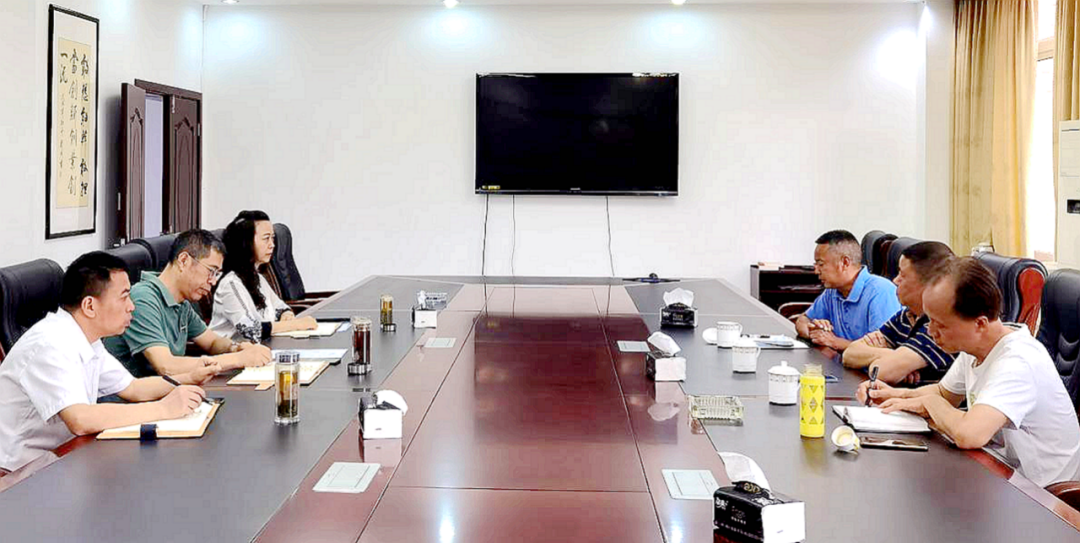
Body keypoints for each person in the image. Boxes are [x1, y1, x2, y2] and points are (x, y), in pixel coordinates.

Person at [858, 257, 1080, 487]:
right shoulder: (976, 346)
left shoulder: (1018, 360)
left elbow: (969, 434)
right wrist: (893, 394)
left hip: (1041, 493)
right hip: (998, 470)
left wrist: (929, 403)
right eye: (929, 321)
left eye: (941, 324)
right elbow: (944, 394)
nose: (931, 331)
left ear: (980, 324)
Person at [0, 252, 217, 473]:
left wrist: (189, 378)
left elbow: (133, 388)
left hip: (60, 457)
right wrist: (163, 408)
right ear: (90, 306)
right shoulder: (50, 344)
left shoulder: (87, 337)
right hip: (16, 473)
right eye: (124, 297)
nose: (131, 306)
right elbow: (81, 419)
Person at [104, 229, 273, 378]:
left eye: (216, 274)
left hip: (167, 393)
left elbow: (212, 342)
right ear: (184, 260)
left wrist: (237, 348)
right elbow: (166, 366)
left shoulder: (181, 303)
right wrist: (238, 359)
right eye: (211, 271)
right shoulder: (142, 299)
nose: (213, 281)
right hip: (131, 399)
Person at [843, 241, 956, 384]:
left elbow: (881, 372)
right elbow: (849, 354)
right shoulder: (906, 316)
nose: (895, 281)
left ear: (927, 284)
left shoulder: (938, 326)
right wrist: (892, 355)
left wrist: (885, 360)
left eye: (902, 275)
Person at [209, 211, 317, 341]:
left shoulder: (258, 278)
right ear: (246, 242)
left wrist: (286, 314)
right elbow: (251, 329)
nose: (272, 245)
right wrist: (296, 325)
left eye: (272, 238)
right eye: (266, 239)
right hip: (233, 351)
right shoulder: (231, 284)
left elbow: (280, 307)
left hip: (261, 348)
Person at [794, 230, 901, 351]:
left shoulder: (881, 292)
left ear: (845, 262)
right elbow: (803, 320)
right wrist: (814, 332)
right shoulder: (832, 291)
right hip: (840, 361)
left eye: (821, 264)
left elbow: (882, 350)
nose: (816, 271)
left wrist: (834, 342)